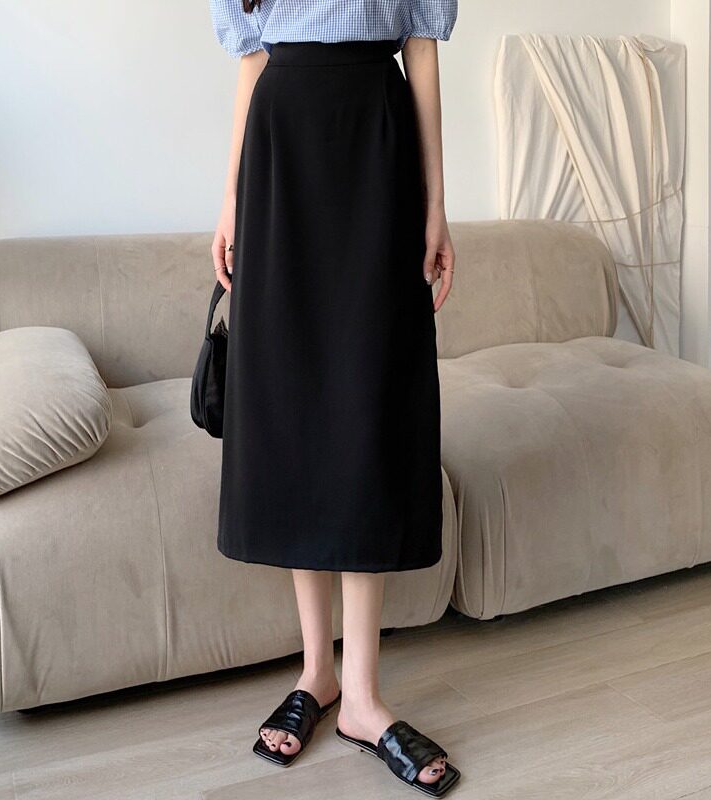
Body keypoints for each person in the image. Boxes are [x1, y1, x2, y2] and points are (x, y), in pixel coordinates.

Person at [208, 1, 459, 795]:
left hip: (377, 152)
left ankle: (363, 697)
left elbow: (422, 51)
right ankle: (317, 673)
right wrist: (230, 198)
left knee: (364, 408)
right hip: (280, 157)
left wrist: (436, 204)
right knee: (294, 409)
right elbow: (253, 61)